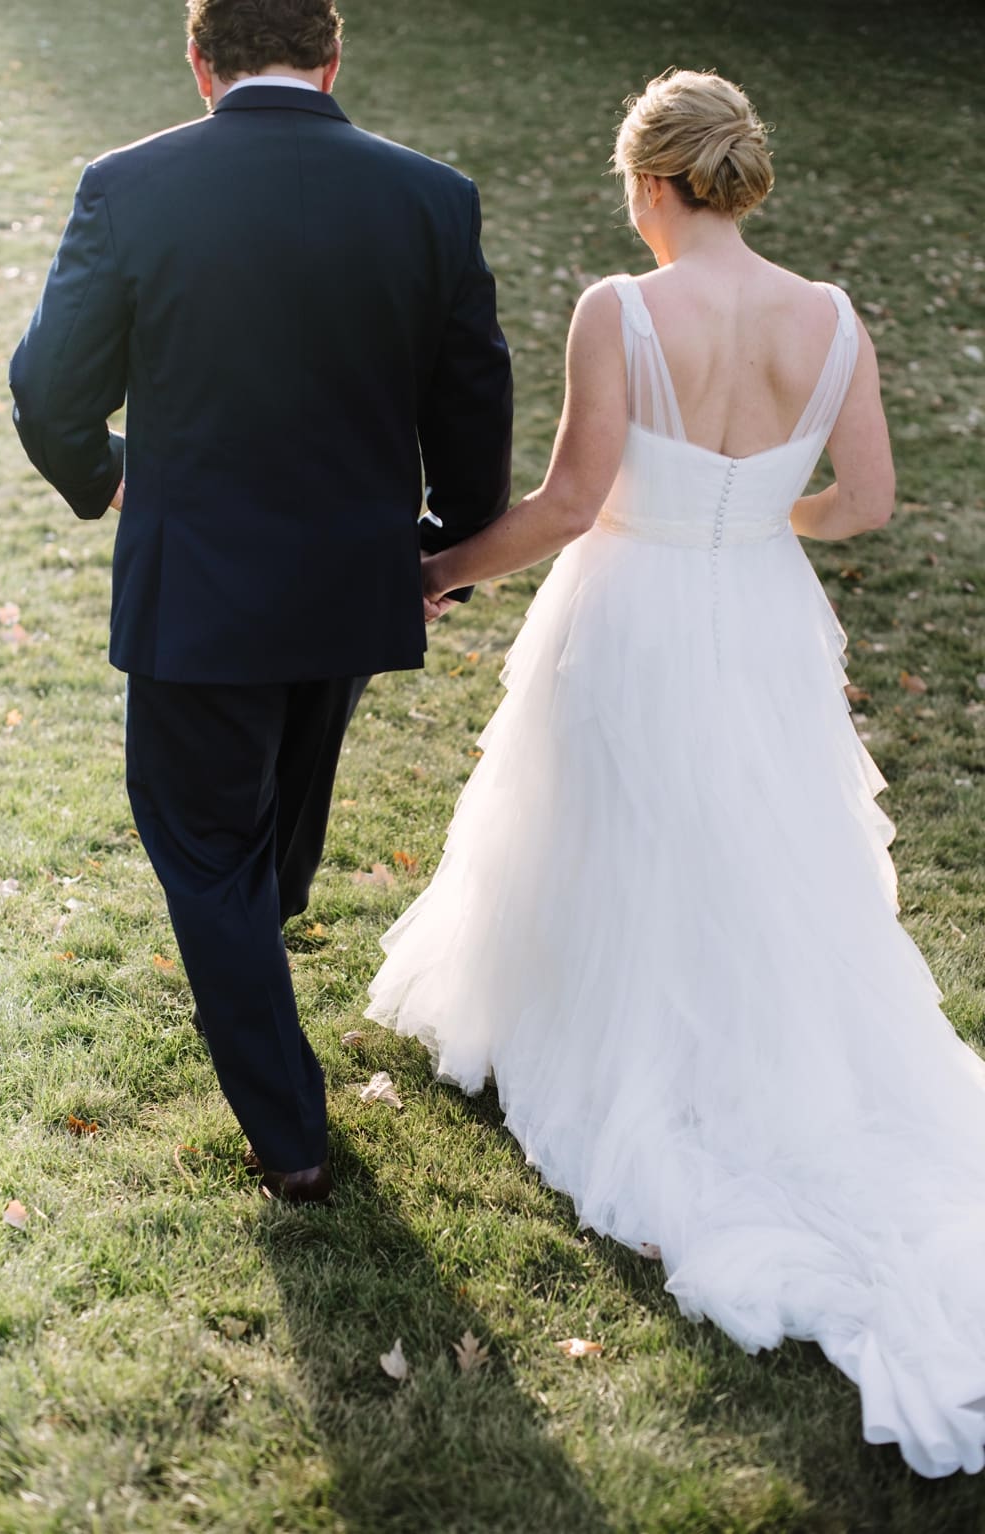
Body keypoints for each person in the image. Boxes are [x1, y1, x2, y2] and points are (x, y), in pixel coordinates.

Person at [367, 70, 985, 1478]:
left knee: (619, 830)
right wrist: (766, 516)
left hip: (636, 606)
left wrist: (441, 568)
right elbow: (873, 501)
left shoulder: (621, 309)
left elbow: (575, 503)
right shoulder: (829, 318)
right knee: (758, 837)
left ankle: (629, 1043)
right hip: (760, 606)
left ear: (651, 183)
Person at [9, 0, 513, 1204]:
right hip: (349, 581)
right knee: (264, 842)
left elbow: (46, 386)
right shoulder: (430, 196)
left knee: (208, 848)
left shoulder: (129, 186)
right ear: (333, 57)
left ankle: (289, 1135)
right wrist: (442, 540)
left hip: (199, 589)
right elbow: (475, 396)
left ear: (199, 63)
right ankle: (258, 985)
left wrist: (106, 473)